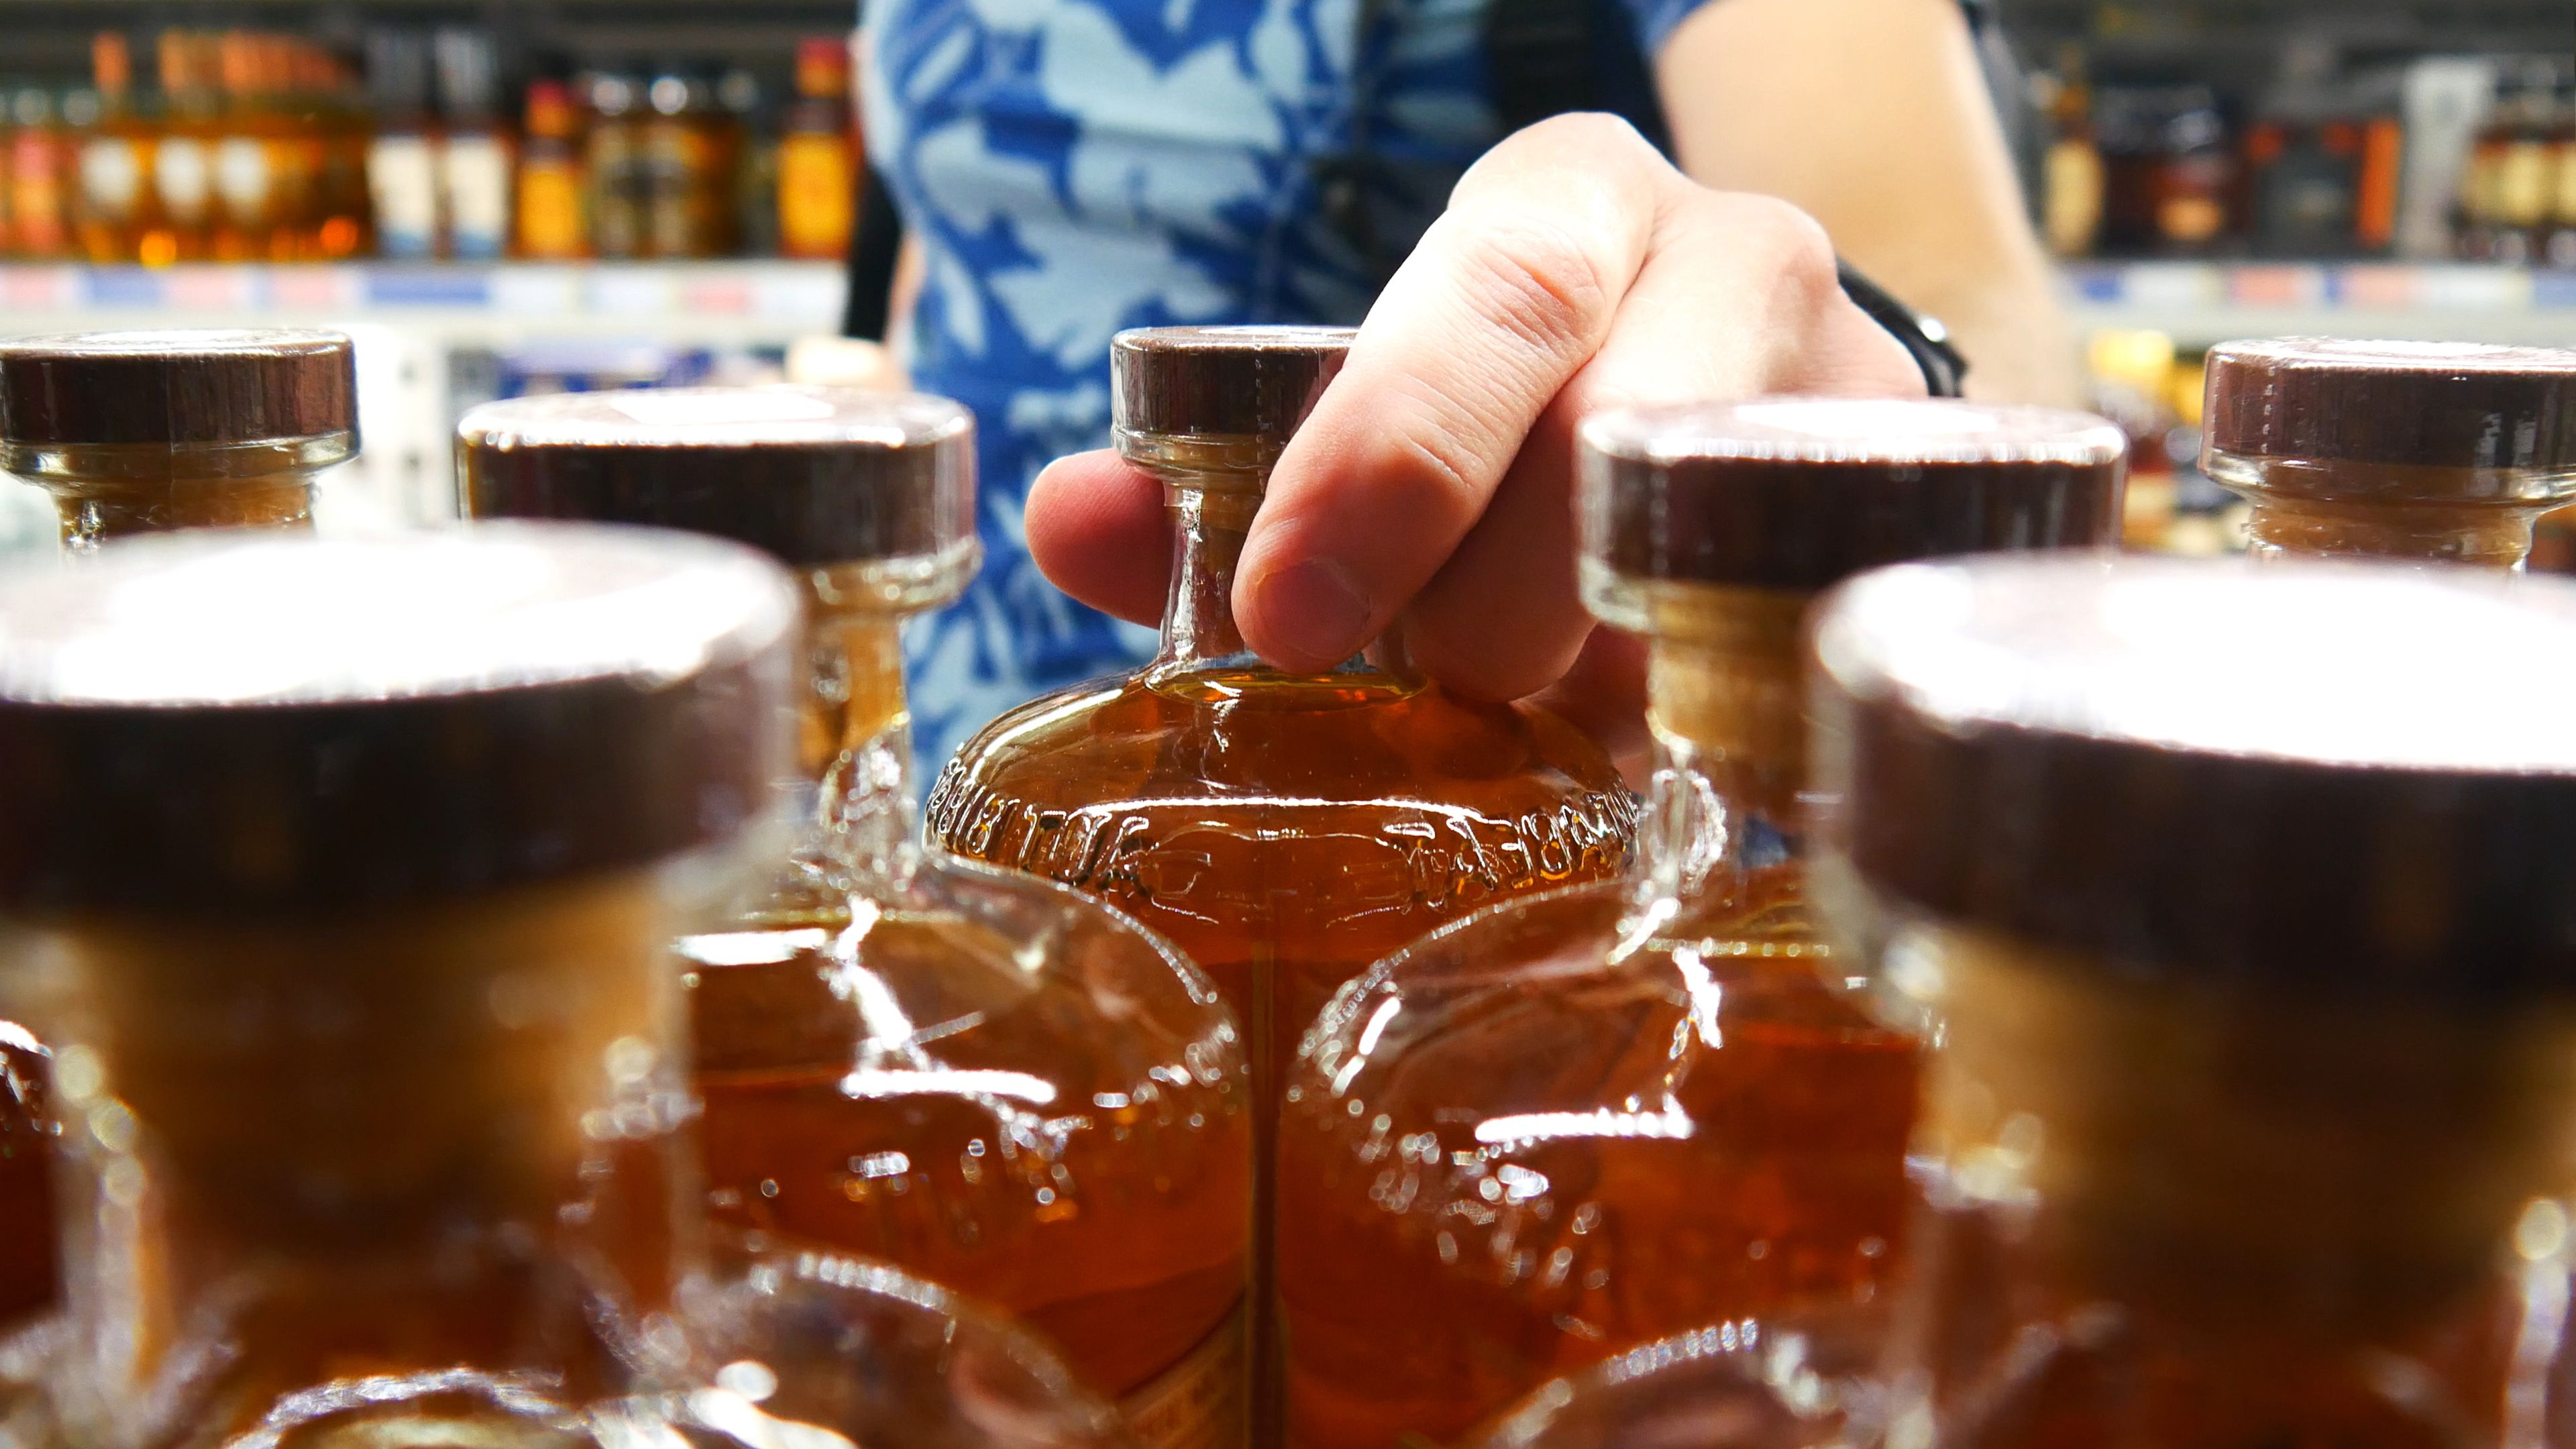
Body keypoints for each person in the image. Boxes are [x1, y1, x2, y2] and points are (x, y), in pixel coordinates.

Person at [854, 0, 2080, 768]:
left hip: (1458, 825)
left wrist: (1881, 405)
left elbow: (1970, 306)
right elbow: (958, 244)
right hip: (966, 833)